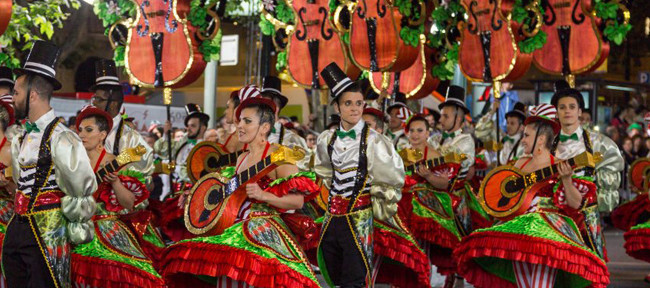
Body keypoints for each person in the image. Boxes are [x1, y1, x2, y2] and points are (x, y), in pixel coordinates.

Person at [162, 96, 321, 288]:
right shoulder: (241, 159)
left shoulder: (279, 153)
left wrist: (264, 196)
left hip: (264, 233)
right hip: (233, 229)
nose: (240, 126)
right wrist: (196, 196)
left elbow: (297, 202)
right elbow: (227, 194)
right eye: (240, 121)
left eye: (248, 121)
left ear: (264, 127)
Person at [455, 103, 610, 288]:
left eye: (527, 135)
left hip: (547, 234)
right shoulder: (518, 163)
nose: (522, 140)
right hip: (517, 231)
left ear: (541, 138)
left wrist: (567, 179)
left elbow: (576, 204)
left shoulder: (561, 165)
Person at [314, 63, 429, 288]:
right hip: (331, 218)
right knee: (333, 273)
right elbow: (325, 172)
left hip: (359, 218)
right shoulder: (326, 139)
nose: (355, 108)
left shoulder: (375, 141)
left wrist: (374, 195)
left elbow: (393, 177)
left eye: (359, 103)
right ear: (337, 107)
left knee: (355, 279)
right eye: (348, 103)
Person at [3, 40, 97, 288]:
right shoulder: (20, 136)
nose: (12, 99)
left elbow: (81, 190)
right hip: (17, 227)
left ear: (32, 95)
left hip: (47, 231)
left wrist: (76, 233)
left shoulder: (63, 138)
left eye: (16, 93)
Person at [70, 106, 165, 287]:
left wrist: (115, 183)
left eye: (89, 130)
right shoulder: (71, 160)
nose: (82, 135)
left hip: (106, 228)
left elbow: (129, 203)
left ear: (103, 135)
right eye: (80, 130)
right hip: (74, 227)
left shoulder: (114, 161)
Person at [551, 80, 623, 260]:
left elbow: (612, 172)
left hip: (586, 217)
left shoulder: (600, 143)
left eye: (572, 106)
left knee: (589, 265)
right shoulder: (546, 142)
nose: (567, 111)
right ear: (557, 112)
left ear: (579, 112)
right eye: (562, 107)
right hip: (554, 215)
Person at [398, 114, 465, 280]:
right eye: (412, 130)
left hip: (425, 209)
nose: (415, 134)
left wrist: (428, 176)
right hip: (403, 206)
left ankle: (422, 279)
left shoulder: (434, 155)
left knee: (420, 249)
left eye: (419, 130)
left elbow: (444, 184)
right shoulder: (402, 154)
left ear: (428, 133)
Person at [90, 59, 153, 184]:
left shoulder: (130, 137)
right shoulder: (87, 131)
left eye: (99, 99)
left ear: (113, 104)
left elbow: (143, 180)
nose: (94, 103)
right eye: (94, 98)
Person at [153, 103, 209, 242]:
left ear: (203, 128)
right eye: (188, 125)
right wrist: (166, 133)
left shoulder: (207, 149)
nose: (188, 129)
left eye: (193, 126)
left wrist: (176, 168)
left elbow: (197, 174)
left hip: (194, 196)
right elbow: (164, 151)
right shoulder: (183, 142)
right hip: (175, 194)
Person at [260, 76, 310, 170]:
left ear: (276, 108)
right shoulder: (252, 137)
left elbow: (301, 172)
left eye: (264, 105)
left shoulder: (292, 139)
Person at [221, 87, 258, 153]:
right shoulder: (226, 138)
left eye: (228, 107)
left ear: (237, 109)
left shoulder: (253, 140)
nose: (225, 112)